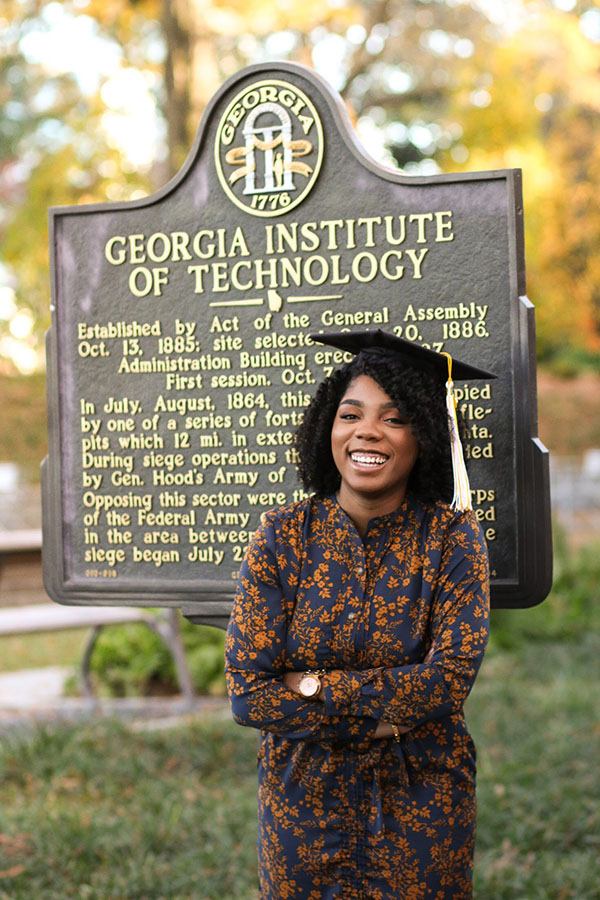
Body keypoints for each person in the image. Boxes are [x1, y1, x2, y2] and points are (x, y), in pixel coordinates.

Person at [225, 329, 492, 900]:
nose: (367, 431)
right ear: (330, 428)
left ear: (425, 436)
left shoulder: (452, 540)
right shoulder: (283, 538)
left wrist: (312, 685)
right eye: (351, 415)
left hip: (423, 796)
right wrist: (383, 718)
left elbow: (446, 683)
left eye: (393, 419)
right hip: (302, 804)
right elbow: (248, 692)